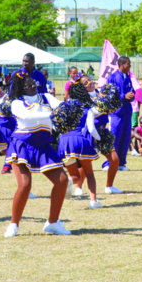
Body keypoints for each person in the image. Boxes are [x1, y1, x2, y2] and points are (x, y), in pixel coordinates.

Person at [3, 71, 71, 237]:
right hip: (22, 145)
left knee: (62, 181)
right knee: (25, 185)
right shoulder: (17, 103)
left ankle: (53, 222)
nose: (32, 85)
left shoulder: (47, 97)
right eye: (27, 84)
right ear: (20, 88)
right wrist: (53, 114)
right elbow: (27, 117)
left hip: (43, 145)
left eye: (33, 82)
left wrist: (73, 107)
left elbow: (62, 106)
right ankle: (14, 224)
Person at [59, 79, 103, 209]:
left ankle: (69, 181)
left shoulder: (64, 107)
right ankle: (94, 201)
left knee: (75, 175)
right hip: (79, 140)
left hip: (64, 141)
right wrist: (99, 138)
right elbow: (91, 129)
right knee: (89, 173)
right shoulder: (86, 109)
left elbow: (57, 126)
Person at [106, 56, 136, 172]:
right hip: (116, 113)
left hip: (127, 112)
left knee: (125, 138)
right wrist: (124, 96)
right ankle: (109, 163)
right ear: (121, 64)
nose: (130, 66)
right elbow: (109, 94)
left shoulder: (128, 77)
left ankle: (121, 163)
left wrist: (132, 94)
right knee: (115, 138)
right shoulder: (112, 77)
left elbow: (131, 91)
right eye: (128, 64)